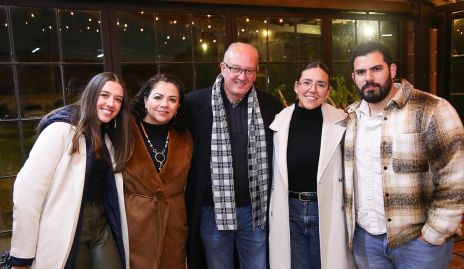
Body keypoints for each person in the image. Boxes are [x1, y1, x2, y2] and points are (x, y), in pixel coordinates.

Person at [344, 41, 464, 269]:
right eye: (361, 72)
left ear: (392, 70)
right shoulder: (351, 118)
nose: (368, 77)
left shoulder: (432, 109)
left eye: (376, 69)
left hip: (418, 244)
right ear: (354, 77)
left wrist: (434, 234)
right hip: (367, 240)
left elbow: (456, 177)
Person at [9, 72, 134, 269]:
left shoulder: (108, 138)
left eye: (118, 99)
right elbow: (28, 192)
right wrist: (21, 255)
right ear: (91, 95)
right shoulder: (60, 130)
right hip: (66, 225)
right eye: (104, 95)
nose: (111, 103)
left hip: (100, 224)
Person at [185, 42, 283, 269]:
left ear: (256, 72)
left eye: (249, 70)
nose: (242, 76)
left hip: (256, 211)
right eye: (236, 69)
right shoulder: (194, 104)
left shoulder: (270, 105)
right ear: (223, 68)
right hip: (212, 211)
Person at [269, 62, 355, 269]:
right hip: (289, 209)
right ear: (296, 86)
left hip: (326, 207)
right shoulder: (278, 122)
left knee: (326, 263)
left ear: (328, 91)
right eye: (307, 83)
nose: (312, 90)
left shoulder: (343, 122)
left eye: (320, 84)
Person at [123, 73, 192, 269]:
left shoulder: (185, 136)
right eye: (158, 97)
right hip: (135, 224)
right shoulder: (124, 132)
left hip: (174, 224)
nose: (165, 104)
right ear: (145, 100)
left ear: (178, 106)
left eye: (172, 100)